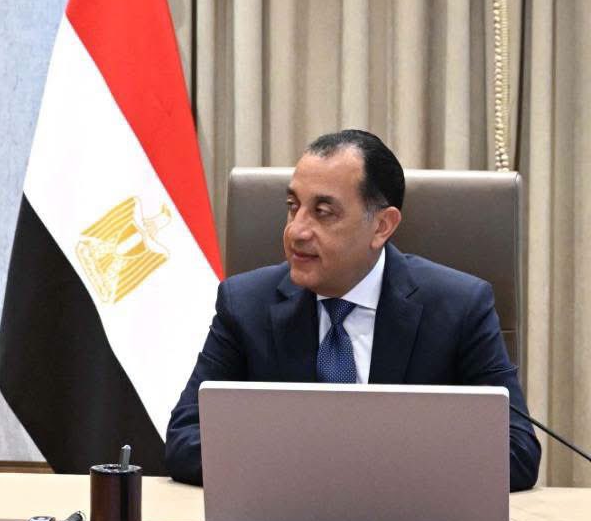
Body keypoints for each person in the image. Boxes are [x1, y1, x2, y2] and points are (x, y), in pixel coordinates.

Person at [163, 129, 541, 491]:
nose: (296, 231)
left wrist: (356, 473)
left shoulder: (459, 307)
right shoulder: (246, 304)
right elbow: (185, 439)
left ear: (382, 226)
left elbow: (516, 452)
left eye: (323, 212)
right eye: (293, 207)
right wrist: (327, 472)